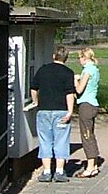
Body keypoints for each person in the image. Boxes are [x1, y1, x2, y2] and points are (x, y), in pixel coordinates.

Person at [30, 46, 76, 183]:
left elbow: (33, 88)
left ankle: (46, 171)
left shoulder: (43, 70)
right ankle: (60, 171)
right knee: (61, 141)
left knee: (45, 141)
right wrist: (70, 111)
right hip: (61, 110)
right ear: (66, 58)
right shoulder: (68, 72)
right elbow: (69, 93)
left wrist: (36, 102)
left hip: (44, 110)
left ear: (53, 56)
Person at [74, 47, 102, 178]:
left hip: (86, 105)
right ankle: (94, 165)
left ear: (84, 58)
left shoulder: (87, 70)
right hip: (93, 104)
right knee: (90, 133)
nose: (79, 60)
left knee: (86, 135)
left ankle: (90, 167)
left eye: (79, 58)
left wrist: (75, 79)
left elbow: (79, 89)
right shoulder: (95, 69)